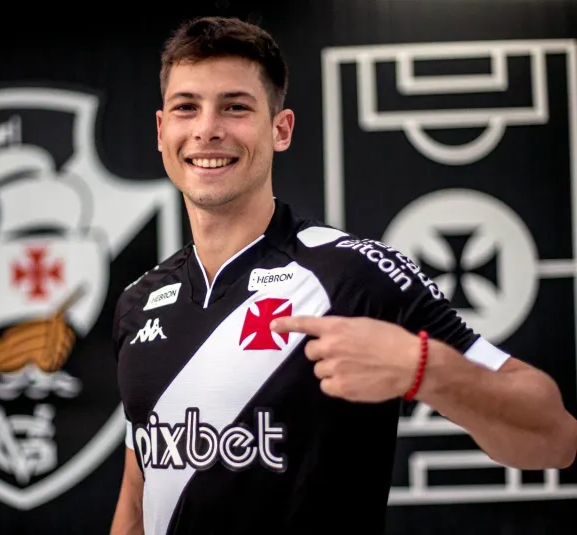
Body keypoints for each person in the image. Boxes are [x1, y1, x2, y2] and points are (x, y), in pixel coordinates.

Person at [109, 15, 577, 535]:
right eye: (186, 107)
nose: (207, 129)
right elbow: (138, 499)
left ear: (280, 130)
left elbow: (555, 437)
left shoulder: (354, 275)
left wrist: (424, 369)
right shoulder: (138, 302)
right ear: (161, 130)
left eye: (235, 107)